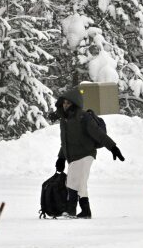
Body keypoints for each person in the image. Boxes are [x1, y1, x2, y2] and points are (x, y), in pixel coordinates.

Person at [51, 87, 125, 219]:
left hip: (85, 153)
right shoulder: (64, 120)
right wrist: (61, 158)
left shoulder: (83, 117)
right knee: (80, 183)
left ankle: (70, 210)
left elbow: (98, 134)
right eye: (64, 103)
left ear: (75, 103)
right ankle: (86, 211)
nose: (65, 105)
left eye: (68, 103)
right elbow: (66, 142)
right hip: (73, 156)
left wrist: (113, 147)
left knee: (72, 181)